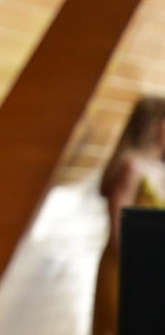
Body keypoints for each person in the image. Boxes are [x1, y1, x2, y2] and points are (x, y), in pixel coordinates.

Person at [91, 96, 165, 335]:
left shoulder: (160, 169)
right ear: (156, 125)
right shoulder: (132, 166)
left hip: (152, 270)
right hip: (127, 269)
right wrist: (142, 277)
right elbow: (118, 234)